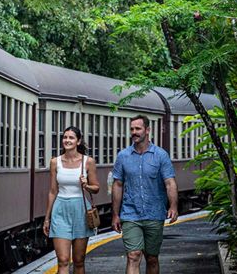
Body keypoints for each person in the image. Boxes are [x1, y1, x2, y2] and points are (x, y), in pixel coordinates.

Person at [111, 115, 178, 274]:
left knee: (152, 258)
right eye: (132, 129)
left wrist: (174, 206)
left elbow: (170, 182)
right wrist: (115, 214)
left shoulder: (161, 155)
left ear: (147, 130)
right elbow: (117, 184)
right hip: (130, 214)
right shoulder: (123, 156)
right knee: (133, 255)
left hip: (154, 213)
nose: (134, 132)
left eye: (138, 129)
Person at [43, 126, 100, 274]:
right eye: (65, 137)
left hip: (81, 210)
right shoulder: (55, 162)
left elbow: (96, 188)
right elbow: (52, 191)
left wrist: (86, 185)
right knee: (62, 260)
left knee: (79, 261)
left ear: (78, 141)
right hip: (60, 210)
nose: (67, 140)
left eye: (71, 138)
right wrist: (47, 218)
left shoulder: (88, 162)